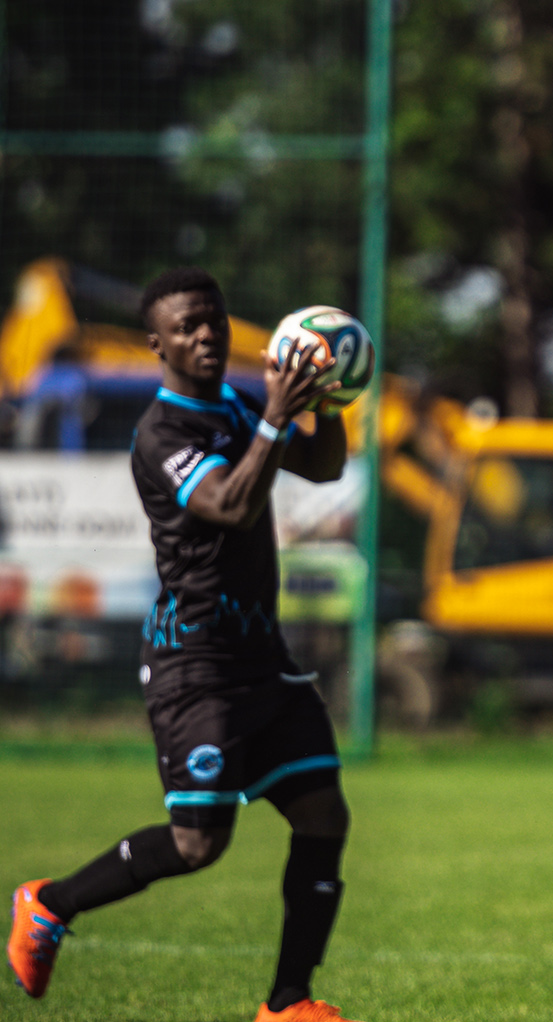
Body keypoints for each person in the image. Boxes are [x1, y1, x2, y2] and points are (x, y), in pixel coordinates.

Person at [6, 267, 364, 1022]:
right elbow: (229, 506)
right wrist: (275, 418)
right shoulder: (161, 433)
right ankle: (49, 905)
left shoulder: (238, 404)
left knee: (324, 815)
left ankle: (288, 1004)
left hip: (261, 658)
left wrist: (323, 405)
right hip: (194, 665)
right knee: (199, 846)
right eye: (186, 327)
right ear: (157, 344)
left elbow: (324, 465)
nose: (205, 335)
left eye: (214, 321)